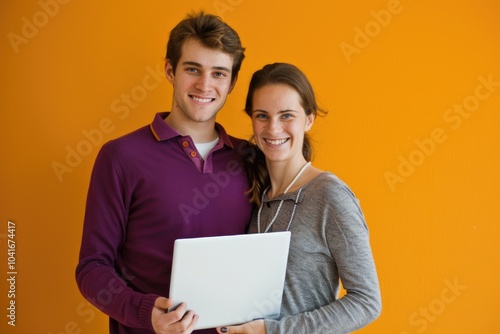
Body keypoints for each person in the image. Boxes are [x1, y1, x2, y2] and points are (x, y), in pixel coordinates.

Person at [75, 11, 253, 334]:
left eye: (218, 74)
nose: (204, 85)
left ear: (232, 82)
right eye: (192, 69)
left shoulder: (250, 159)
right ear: (170, 70)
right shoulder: (120, 157)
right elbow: (91, 268)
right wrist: (147, 314)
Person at [218, 63, 382, 334]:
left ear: (309, 119)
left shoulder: (329, 195)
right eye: (262, 115)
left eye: (286, 116)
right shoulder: (254, 191)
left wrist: (271, 331)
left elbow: (366, 301)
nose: (273, 128)